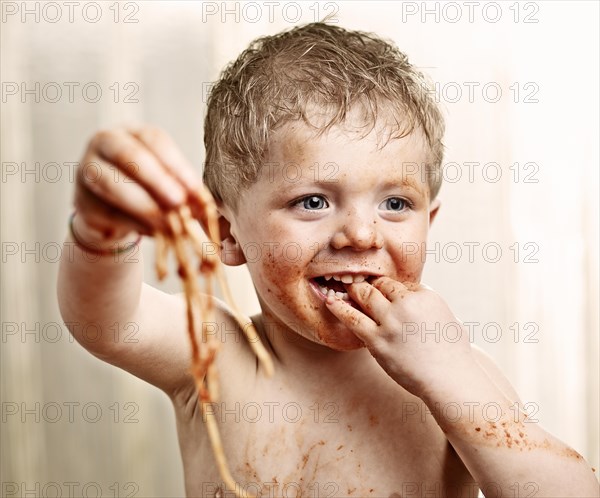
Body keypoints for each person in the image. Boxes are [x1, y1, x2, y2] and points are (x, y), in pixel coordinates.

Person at [57, 22, 599, 498]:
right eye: (312, 202)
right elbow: (108, 322)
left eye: (395, 203)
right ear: (226, 233)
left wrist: (454, 380)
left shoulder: (458, 375)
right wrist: (101, 230)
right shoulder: (218, 357)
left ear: (429, 225)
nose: (361, 234)